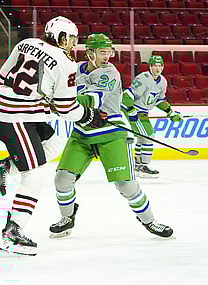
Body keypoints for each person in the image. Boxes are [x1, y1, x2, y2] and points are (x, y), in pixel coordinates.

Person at [0, 16, 107, 256]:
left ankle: (1, 168)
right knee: (35, 174)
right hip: (17, 120)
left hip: (5, 112)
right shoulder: (65, 62)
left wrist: (34, 101)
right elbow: (66, 109)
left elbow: (0, 79)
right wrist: (89, 115)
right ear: (62, 37)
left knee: (56, 142)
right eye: (72, 39)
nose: (73, 44)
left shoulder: (25, 43)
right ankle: (13, 233)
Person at [49, 34, 173, 240]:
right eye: (102, 52)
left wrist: (58, 101)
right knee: (62, 180)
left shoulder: (110, 73)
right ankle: (67, 218)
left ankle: (150, 221)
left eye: (109, 52)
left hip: (111, 134)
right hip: (82, 133)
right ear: (90, 53)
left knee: (126, 185)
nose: (107, 56)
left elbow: (93, 100)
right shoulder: (75, 69)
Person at [121, 55, 182, 178]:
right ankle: (143, 165)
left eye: (160, 66)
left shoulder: (163, 81)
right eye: (155, 65)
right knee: (149, 136)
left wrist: (170, 112)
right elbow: (127, 95)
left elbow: (159, 101)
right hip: (131, 110)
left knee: (142, 138)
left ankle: (138, 166)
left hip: (142, 113)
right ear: (150, 67)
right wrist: (131, 110)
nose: (157, 68)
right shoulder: (144, 78)